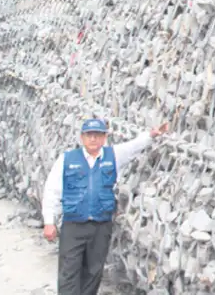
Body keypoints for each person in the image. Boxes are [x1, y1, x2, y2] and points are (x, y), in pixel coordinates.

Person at [41, 117, 170, 295]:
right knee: (68, 271)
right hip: (73, 225)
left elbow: (134, 146)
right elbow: (52, 190)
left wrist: (152, 135)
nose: (93, 139)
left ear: (104, 138)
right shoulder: (67, 160)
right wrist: (49, 221)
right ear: (82, 138)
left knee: (93, 271)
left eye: (97, 135)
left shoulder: (113, 156)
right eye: (89, 135)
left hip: (101, 226)